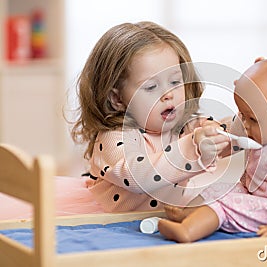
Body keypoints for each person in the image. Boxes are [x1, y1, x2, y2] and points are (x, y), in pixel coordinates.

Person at [158, 57, 267, 242]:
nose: (245, 125)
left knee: (226, 204)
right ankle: (189, 213)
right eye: (242, 115)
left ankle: (188, 230)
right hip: (253, 194)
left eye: (252, 119)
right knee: (219, 189)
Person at [71, 21, 229, 212]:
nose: (168, 94)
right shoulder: (113, 138)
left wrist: (254, 112)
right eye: (151, 87)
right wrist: (194, 146)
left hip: (157, 221)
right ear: (117, 98)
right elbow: (137, 176)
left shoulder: (184, 127)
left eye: (175, 81)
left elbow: (227, 134)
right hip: (110, 224)